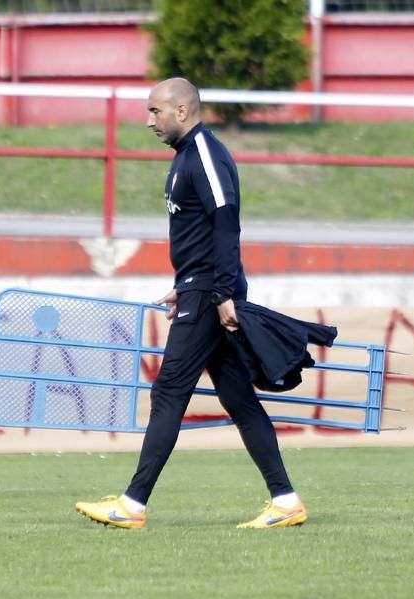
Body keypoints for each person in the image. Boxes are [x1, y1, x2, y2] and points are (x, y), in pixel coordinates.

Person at [75, 78, 307, 530]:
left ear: (182, 111)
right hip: (199, 289)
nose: (148, 121)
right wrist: (186, 283)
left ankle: (132, 506)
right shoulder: (185, 157)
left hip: (210, 296)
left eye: (155, 111)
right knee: (238, 399)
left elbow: (226, 222)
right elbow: (203, 232)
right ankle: (286, 501)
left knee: (168, 394)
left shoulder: (205, 153)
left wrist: (218, 293)